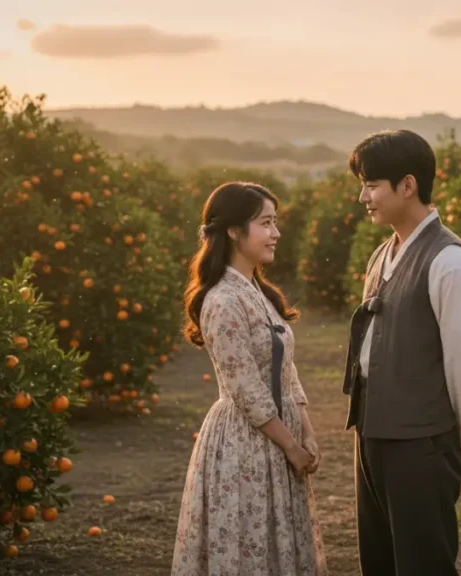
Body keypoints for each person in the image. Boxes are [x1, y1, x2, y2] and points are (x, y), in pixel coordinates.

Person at [341, 129, 461, 576]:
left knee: (423, 563)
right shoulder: (382, 255)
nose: (362, 197)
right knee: (381, 559)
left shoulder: (452, 263)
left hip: (421, 441)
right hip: (372, 431)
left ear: (407, 185)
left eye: (371, 185)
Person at [171, 182, 327, 576]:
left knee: (278, 544)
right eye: (266, 223)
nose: (275, 233)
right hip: (245, 441)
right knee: (247, 547)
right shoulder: (222, 300)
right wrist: (291, 445)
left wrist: (306, 431)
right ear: (235, 231)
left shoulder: (258, 292)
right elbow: (245, 389)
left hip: (279, 434)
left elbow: (285, 370)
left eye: (275, 223)